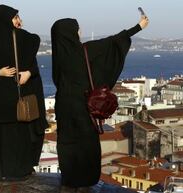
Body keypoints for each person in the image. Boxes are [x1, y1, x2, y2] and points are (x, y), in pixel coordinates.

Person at [51, 14, 149, 191]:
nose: (80, 31)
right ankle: (85, 181)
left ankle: (70, 180)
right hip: (82, 107)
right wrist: (138, 26)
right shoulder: (86, 50)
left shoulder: (58, 59)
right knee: (86, 143)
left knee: (67, 144)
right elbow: (114, 42)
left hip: (64, 108)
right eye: (77, 28)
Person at [0, 4, 48, 182]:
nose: (19, 21)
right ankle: (20, 169)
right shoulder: (22, 39)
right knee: (18, 134)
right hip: (17, 96)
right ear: (8, 20)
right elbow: (36, 40)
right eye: (16, 18)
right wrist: (28, 72)